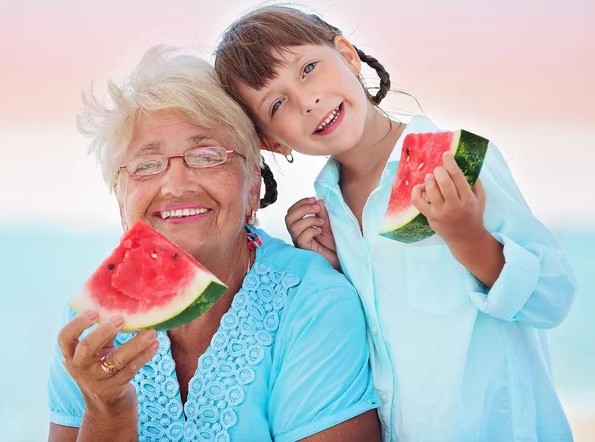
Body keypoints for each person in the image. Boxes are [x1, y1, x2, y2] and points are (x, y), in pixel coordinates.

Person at [213, 6, 579, 441]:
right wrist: (331, 275)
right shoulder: (330, 213)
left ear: (347, 56)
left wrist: (471, 240)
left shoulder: (454, 161)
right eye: (277, 104)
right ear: (273, 141)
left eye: (309, 68)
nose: (307, 100)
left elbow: (554, 297)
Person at [47, 45, 382, 442]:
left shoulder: (313, 302)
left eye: (206, 155)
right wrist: (108, 412)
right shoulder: (90, 324)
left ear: (253, 185)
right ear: (121, 199)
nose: (175, 184)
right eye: (146, 165)